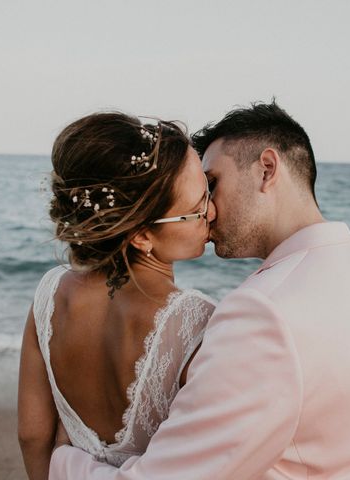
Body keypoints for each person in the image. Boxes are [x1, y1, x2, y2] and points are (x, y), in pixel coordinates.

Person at [49, 101, 350, 479]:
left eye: (212, 183)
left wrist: (64, 458)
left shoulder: (264, 312)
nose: (206, 208)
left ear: (266, 170)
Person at [17, 112, 217, 479]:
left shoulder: (49, 293)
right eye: (197, 209)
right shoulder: (198, 322)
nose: (213, 212)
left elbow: (32, 433)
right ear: (141, 235)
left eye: (209, 192)